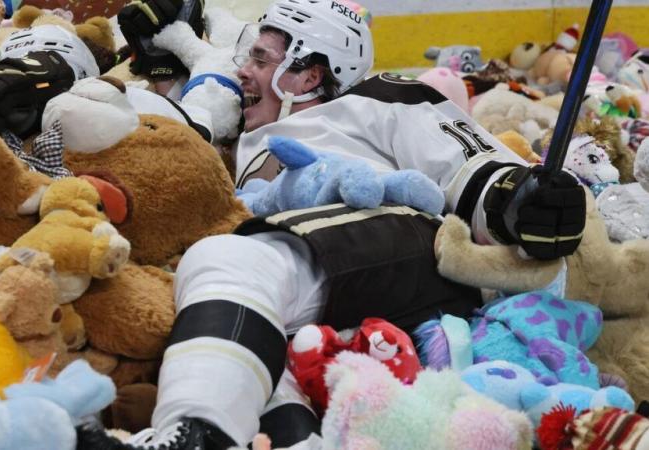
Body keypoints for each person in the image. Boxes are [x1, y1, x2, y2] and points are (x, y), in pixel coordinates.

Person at [78, 0, 587, 449]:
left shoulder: (374, 98)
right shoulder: (250, 142)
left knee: (227, 256)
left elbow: (469, 165)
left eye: (260, 58)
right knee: (257, 351)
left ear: (310, 74)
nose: (244, 73)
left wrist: (520, 202)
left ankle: (190, 435)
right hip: (321, 280)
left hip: (403, 242)